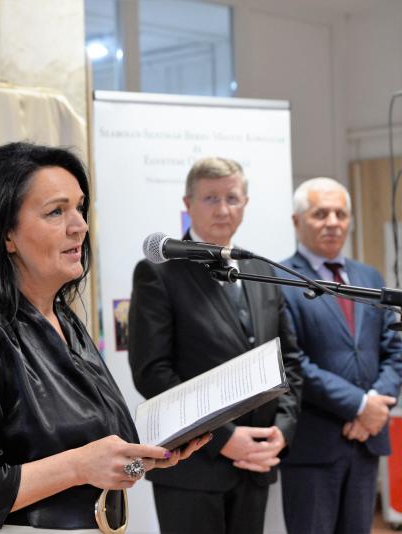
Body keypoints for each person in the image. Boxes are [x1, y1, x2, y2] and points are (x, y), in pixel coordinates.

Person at [0, 142, 210, 532]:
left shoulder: (64, 319)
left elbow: (94, 462)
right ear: (6, 235)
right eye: (56, 211)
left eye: (79, 208)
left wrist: (147, 457)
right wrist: (77, 466)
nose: (80, 226)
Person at [128, 157, 303, 534]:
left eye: (232, 198)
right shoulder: (158, 272)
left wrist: (281, 431)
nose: (223, 209)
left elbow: (288, 361)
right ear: (187, 203)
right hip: (192, 469)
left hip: (256, 463)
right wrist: (223, 438)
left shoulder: (262, 270)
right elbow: (152, 373)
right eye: (210, 198)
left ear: (246, 203)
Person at [278, 177, 402, 534]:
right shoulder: (280, 279)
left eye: (340, 214)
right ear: (297, 221)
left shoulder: (369, 277)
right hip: (313, 446)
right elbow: (291, 361)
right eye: (320, 214)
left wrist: (374, 405)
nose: (333, 222)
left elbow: (395, 350)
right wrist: (359, 405)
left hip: (366, 443)